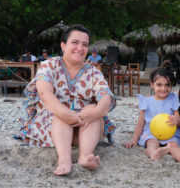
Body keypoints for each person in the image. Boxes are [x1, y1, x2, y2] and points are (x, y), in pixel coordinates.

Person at [17, 24, 116, 175]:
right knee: (61, 111)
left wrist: (94, 113)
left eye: (84, 45)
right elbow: (44, 92)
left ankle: (84, 156)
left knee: (92, 108)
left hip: (84, 128)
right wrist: (66, 114)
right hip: (53, 127)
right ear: (63, 45)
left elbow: (105, 99)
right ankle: (64, 159)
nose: (80, 48)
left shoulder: (93, 72)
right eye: (75, 43)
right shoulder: (50, 65)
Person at [125, 68, 180, 165]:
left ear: (172, 85)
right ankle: (154, 154)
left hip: (170, 134)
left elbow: (179, 122)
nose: (163, 88)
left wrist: (175, 120)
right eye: (159, 85)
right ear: (152, 85)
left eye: (167, 85)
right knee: (151, 144)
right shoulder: (146, 101)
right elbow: (140, 123)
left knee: (174, 146)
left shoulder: (173, 99)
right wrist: (134, 139)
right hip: (152, 133)